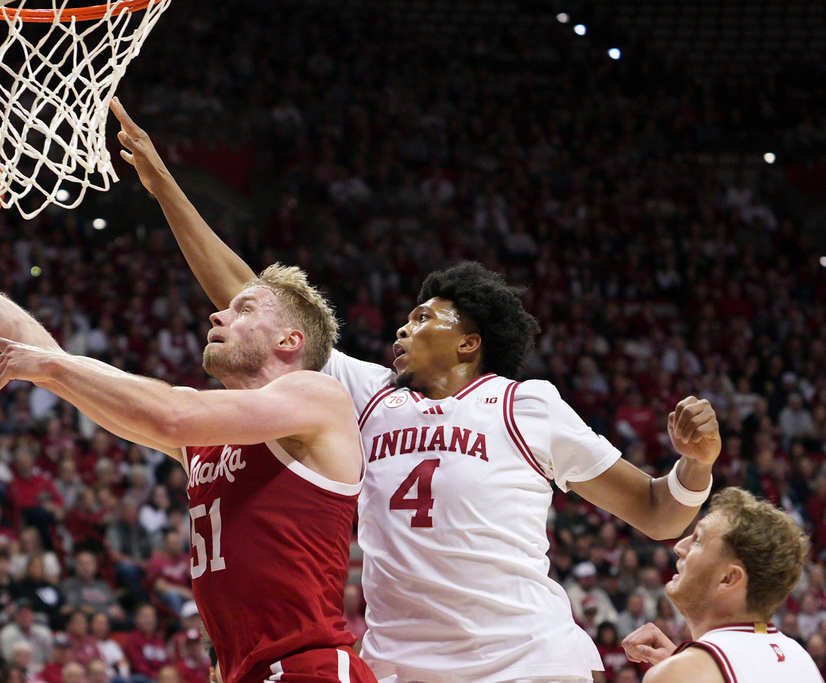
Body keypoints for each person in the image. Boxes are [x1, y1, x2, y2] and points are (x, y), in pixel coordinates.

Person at [109, 98, 724, 683]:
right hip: (404, 666)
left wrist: (695, 467)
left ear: (470, 342)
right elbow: (252, 301)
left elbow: (655, 513)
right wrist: (164, 183)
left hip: (528, 661)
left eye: (426, 317)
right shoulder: (367, 394)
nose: (405, 326)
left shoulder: (525, 405)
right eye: (408, 316)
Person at [0, 193, 375, 683]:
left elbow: (169, 413)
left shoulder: (320, 397)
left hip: (309, 667)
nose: (217, 316)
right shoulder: (209, 440)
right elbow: (47, 361)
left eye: (243, 308)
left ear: (289, 340)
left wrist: (57, 366)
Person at [622, 487, 822, 681]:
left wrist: (679, 670)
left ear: (728, 578)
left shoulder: (680, 674)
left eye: (698, 540)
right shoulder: (799, 657)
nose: (679, 546)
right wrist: (681, 662)